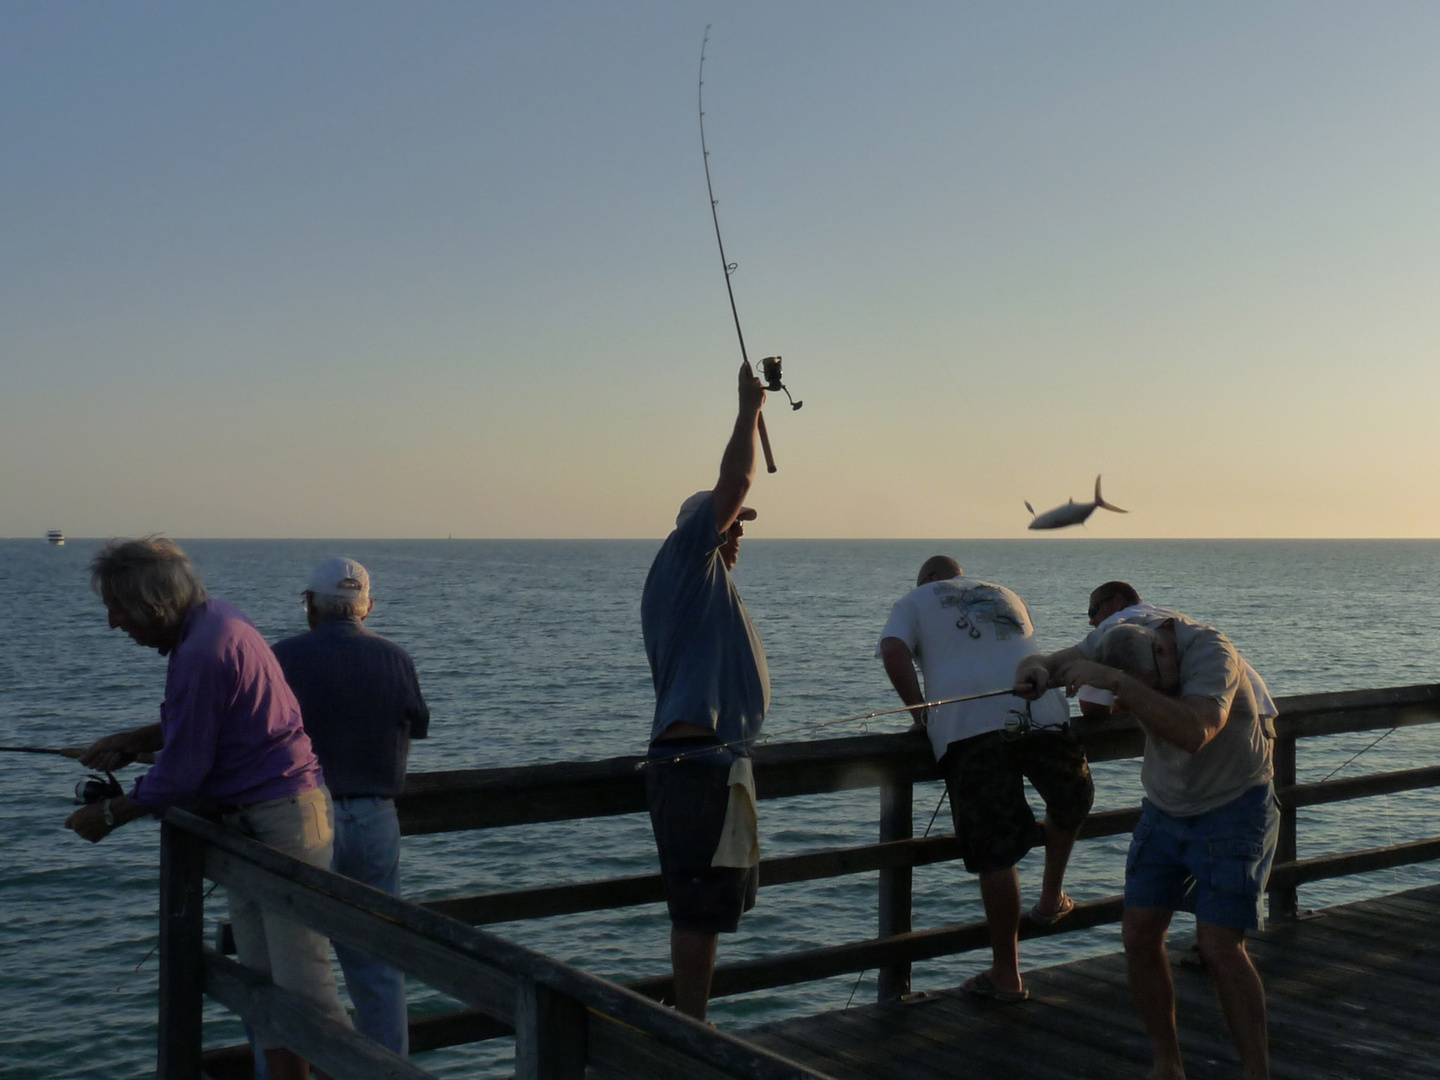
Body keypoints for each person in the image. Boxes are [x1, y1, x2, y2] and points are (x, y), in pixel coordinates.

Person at [64, 538, 349, 1080]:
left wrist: (108, 816)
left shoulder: (203, 651)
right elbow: (207, 723)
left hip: (283, 819)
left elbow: (183, 772)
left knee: (304, 984)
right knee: (263, 980)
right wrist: (133, 739)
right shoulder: (217, 619)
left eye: (117, 609)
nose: (112, 623)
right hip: (256, 817)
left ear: (152, 605)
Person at [1014, 608, 1278, 1080]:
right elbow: (1040, 663)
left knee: (1219, 947)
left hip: (1233, 805)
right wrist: (1033, 673)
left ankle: (1256, 1073)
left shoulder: (1213, 653)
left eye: (1151, 684)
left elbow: (1196, 730)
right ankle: (1167, 1065)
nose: (1147, 698)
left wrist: (1120, 685)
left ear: (1163, 648)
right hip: (1164, 804)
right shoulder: (1114, 639)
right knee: (1138, 934)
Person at [878, 556, 1094, 1003]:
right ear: (961, 575)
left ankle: (1007, 975)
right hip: (1042, 710)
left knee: (995, 850)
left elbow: (894, 649)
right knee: (1072, 796)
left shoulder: (913, 599)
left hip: (966, 729)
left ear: (928, 580)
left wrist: (920, 713)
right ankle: (1051, 895)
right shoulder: (1004, 591)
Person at [640, 360, 769, 1020]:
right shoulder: (686, 555)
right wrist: (749, 409)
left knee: (714, 907)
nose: (736, 532)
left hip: (719, 765)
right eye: (729, 524)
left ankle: (688, 1019)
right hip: (695, 767)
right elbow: (736, 478)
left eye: (739, 526)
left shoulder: (704, 584)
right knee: (697, 910)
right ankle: (691, 1033)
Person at [271, 557, 430, 1059]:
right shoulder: (396, 658)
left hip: (305, 822)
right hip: (377, 818)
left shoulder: (283, 658)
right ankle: (389, 1072)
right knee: (378, 962)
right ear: (367, 607)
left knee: (297, 966)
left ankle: (312, 1067)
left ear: (311, 606)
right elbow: (417, 724)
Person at [1076, 582, 1276, 726]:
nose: (1091, 620)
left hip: (1223, 716)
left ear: (1118, 601)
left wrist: (1127, 697)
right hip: (1258, 708)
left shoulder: (1119, 624)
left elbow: (1092, 708)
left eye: (1093, 610)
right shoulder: (1165, 618)